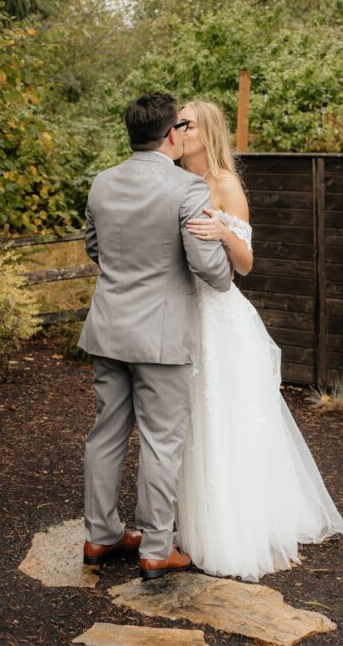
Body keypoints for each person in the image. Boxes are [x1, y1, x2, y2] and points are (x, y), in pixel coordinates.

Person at [175, 99, 343, 582]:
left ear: (203, 131)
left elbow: (247, 264)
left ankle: (238, 528)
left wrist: (223, 233)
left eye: (183, 123)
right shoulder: (172, 181)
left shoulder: (227, 185)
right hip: (184, 313)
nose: (176, 130)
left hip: (221, 316)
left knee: (230, 417)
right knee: (193, 420)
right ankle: (197, 523)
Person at [78, 92, 232, 581]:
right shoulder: (188, 189)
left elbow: (95, 247)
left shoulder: (102, 182)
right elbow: (209, 268)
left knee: (106, 433)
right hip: (162, 337)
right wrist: (228, 271)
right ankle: (156, 548)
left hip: (107, 328)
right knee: (162, 440)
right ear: (172, 134)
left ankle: (100, 537)